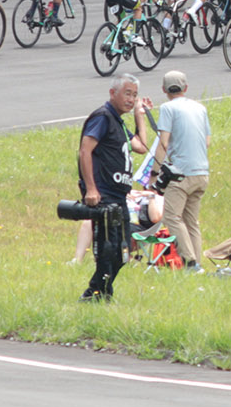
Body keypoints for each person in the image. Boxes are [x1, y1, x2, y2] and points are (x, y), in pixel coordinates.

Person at [78, 75, 151, 301]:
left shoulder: (118, 122)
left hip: (119, 195)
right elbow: (85, 150)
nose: (131, 99)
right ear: (113, 93)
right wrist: (91, 188)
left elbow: (141, 147)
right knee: (108, 249)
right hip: (104, 193)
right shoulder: (102, 117)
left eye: (134, 95)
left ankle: (101, 291)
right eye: (127, 93)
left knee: (121, 252)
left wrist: (140, 116)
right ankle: (96, 293)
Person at [152, 70, 213, 272]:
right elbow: (207, 141)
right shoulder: (200, 108)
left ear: (164, 90)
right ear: (185, 88)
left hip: (181, 173)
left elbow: (163, 142)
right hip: (202, 172)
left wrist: (154, 172)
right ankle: (198, 264)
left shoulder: (168, 108)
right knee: (191, 221)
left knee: (172, 217)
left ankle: (190, 261)